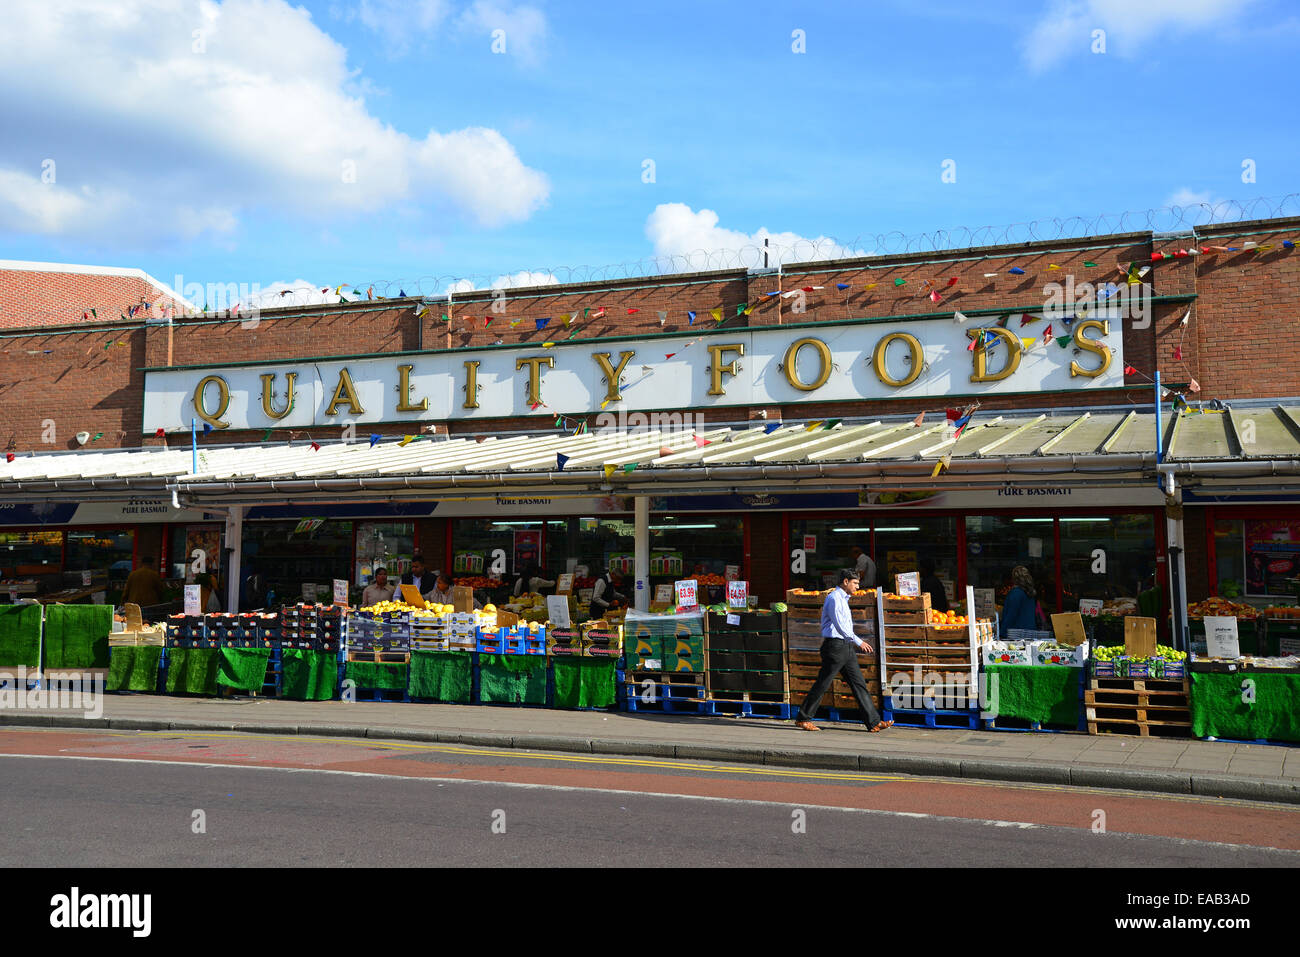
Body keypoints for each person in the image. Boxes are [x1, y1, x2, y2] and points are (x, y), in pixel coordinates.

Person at [794, 569, 891, 733]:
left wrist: (853, 642)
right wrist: (858, 642)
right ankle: (803, 718)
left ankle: (874, 722)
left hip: (844, 647)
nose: (858, 587)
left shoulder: (843, 599)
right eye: (855, 583)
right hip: (835, 647)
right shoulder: (835, 598)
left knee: (858, 683)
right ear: (845, 582)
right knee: (823, 684)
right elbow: (840, 625)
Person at [1000, 565, 1041, 637]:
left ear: (1014, 579)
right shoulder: (1030, 592)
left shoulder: (1016, 593)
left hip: (1017, 634)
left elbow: (1011, 615)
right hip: (1031, 632)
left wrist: (1002, 632)